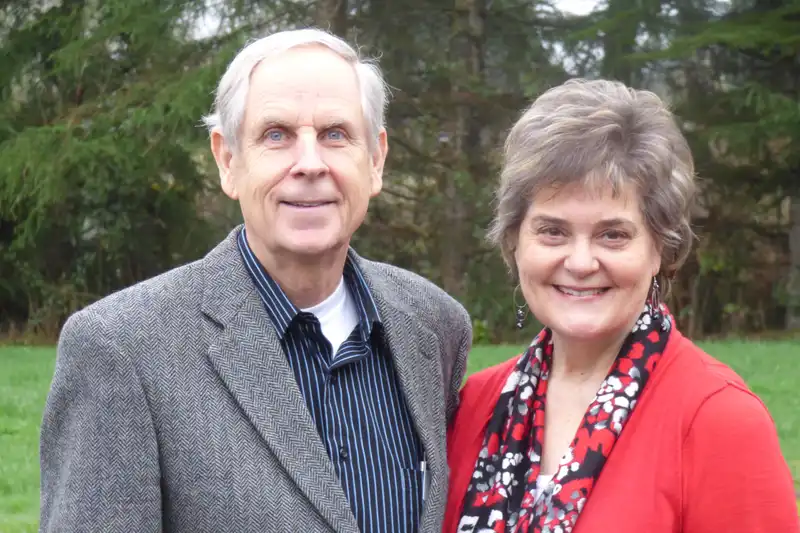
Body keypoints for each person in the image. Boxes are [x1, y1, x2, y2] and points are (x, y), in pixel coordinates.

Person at [39, 28, 472, 533]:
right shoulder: (121, 349)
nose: (310, 164)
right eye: (276, 135)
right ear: (227, 160)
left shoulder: (434, 327)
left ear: (375, 160)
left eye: (335, 134)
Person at [443, 79, 799, 533]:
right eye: (552, 231)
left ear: (659, 250)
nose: (580, 262)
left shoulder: (719, 421)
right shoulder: (477, 404)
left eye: (613, 234)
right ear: (515, 241)